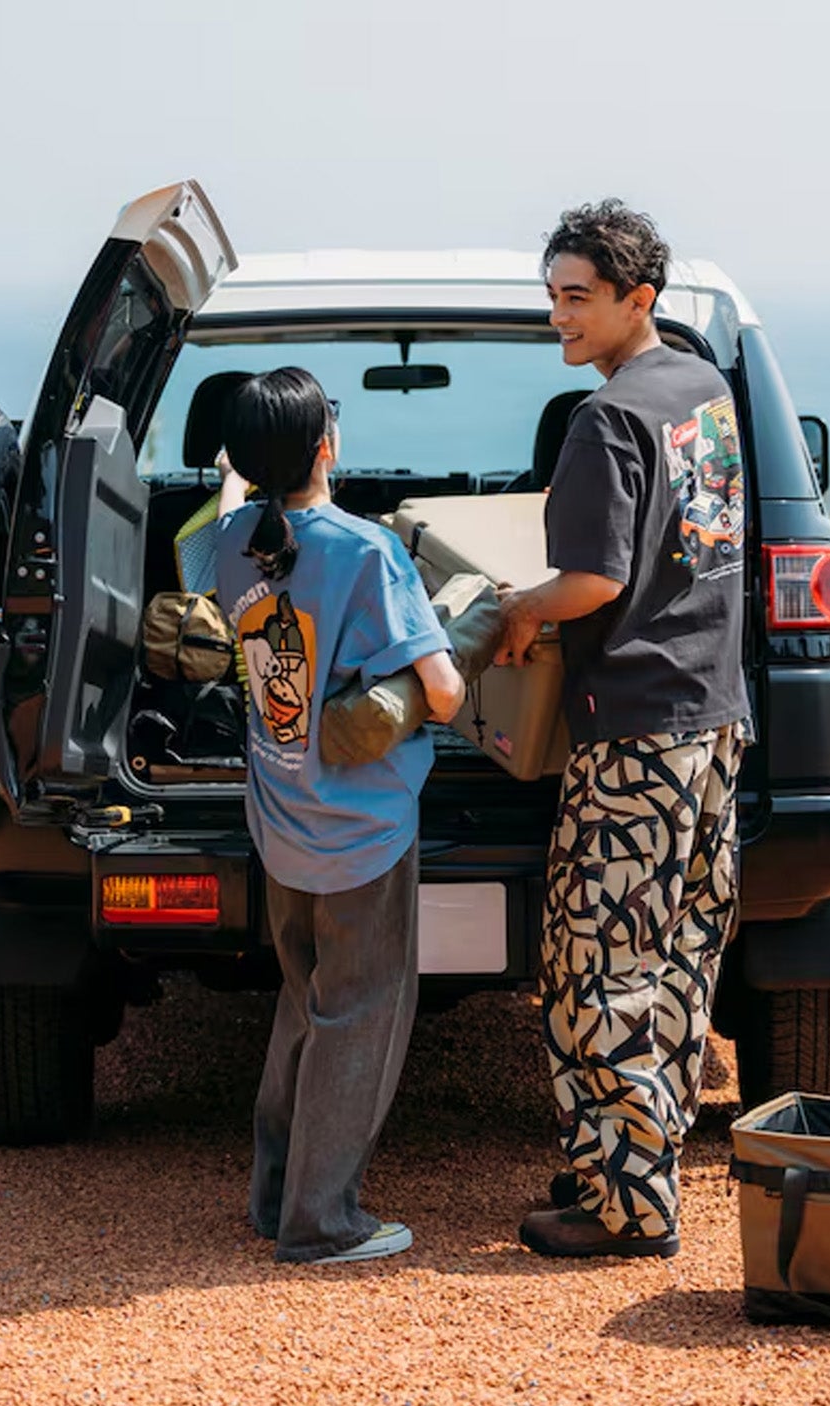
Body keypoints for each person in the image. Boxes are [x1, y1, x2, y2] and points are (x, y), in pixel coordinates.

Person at [494, 200, 750, 1260]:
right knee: (678, 958)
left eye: (579, 298)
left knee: (593, 970)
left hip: (635, 733)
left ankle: (629, 1208)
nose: (559, 317)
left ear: (638, 299)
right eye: (553, 295)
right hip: (715, 721)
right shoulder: (703, 391)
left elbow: (593, 583)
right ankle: (630, 1161)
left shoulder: (605, 420)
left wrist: (518, 609)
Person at [215, 367, 466, 1264]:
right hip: (364, 831)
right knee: (359, 1015)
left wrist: (237, 482)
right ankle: (322, 1222)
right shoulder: (369, 552)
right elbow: (444, 692)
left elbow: (233, 521)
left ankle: (276, 1196)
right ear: (327, 446)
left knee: (306, 1004)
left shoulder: (228, 543)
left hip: (282, 819)